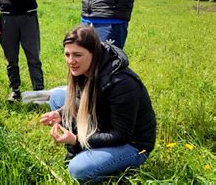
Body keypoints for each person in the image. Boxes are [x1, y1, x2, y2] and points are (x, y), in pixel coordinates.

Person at [39, 25, 156, 183]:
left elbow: (121, 135)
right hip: (103, 124)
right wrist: (59, 114)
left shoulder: (121, 83)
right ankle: (84, 153)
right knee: (57, 97)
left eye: (77, 55)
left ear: (94, 53)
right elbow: (80, 100)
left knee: (77, 170)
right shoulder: (85, 69)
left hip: (133, 146)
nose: (70, 61)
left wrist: (76, 140)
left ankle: (117, 176)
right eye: (67, 54)